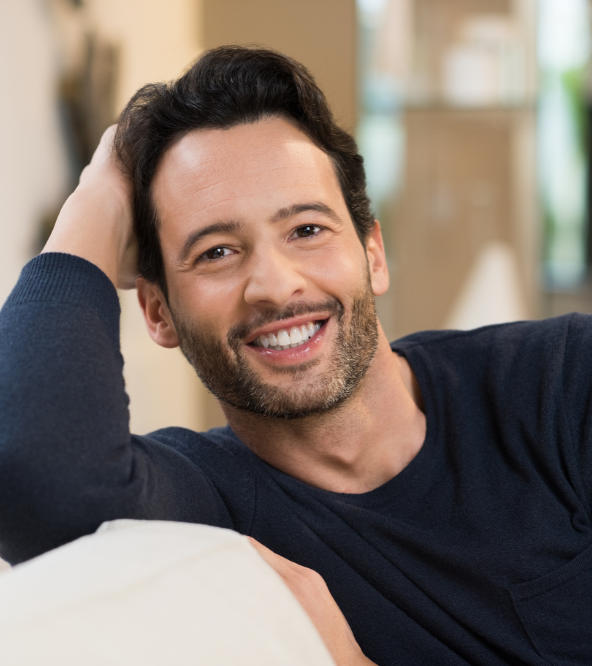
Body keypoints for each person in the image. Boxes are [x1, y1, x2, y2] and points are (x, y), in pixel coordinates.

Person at [0, 45, 590, 665]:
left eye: (307, 230)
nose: (277, 286)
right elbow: (35, 472)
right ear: (158, 313)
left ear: (373, 253)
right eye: (217, 252)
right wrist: (93, 205)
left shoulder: (561, 383)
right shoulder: (202, 506)